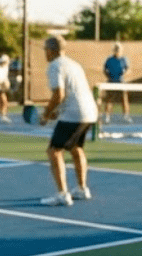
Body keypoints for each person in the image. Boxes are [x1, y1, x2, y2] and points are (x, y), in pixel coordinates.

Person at [39, 35, 98, 206]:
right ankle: (81, 189)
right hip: (89, 112)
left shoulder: (54, 66)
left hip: (74, 113)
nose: (45, 54)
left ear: (51, 51)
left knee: (54, 151)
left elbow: (59, 94)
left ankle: (62, 194)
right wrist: (56, 111)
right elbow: (72, 93)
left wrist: (45, 114)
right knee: (75, 147)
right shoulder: (74, 64)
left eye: (46, 50)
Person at [101, 42, 131, 124]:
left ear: (121, 50)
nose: (117, 51)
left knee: (124, 99)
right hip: (111, 82)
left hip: (121, 82)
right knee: (110, 99)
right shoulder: (109, 59)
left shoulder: (124, 59)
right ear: (114, 50)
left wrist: (124, 73)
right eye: (116, 49)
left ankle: (126, 116)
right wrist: (108, 76)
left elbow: (128, 69)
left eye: (119, 49)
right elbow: (104, 69)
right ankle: (107, 116)